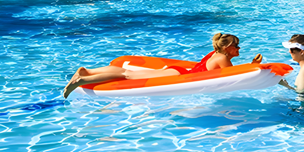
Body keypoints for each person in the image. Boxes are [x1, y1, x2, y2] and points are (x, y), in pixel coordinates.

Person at [63, 33, 259, 99]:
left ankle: (87, 70)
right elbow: (230, 76)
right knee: (127, 76)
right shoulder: (224, 59)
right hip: (176, 77)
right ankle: (83, 79)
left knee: (127, 71)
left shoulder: (215, 53)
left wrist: (250, 64)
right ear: (228, 48)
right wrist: (253, 67)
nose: (239, 49)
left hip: (178, 72)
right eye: (237, 46)